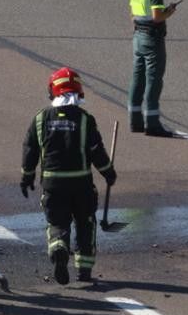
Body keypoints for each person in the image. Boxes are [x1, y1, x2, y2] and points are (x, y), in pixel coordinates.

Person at [20, 67, 116, 285]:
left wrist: (26, 177)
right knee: (86, 223)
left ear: (53, 92)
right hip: (81, 184)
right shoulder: (85, 119)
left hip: (53, 185)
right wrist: (108, 172)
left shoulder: (40, 119)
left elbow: (30, 150)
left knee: (57, 223)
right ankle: (83, 270)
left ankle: (59, 248)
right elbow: (96, 151)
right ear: (78, 92)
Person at [127, 0, 176, 137]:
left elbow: (132, 15)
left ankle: (135, 120)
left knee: (137, 79)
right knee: (154, 80)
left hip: (138, 36)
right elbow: (157, 17)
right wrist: (169, 11)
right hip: (152, 38)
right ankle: (153, 123)